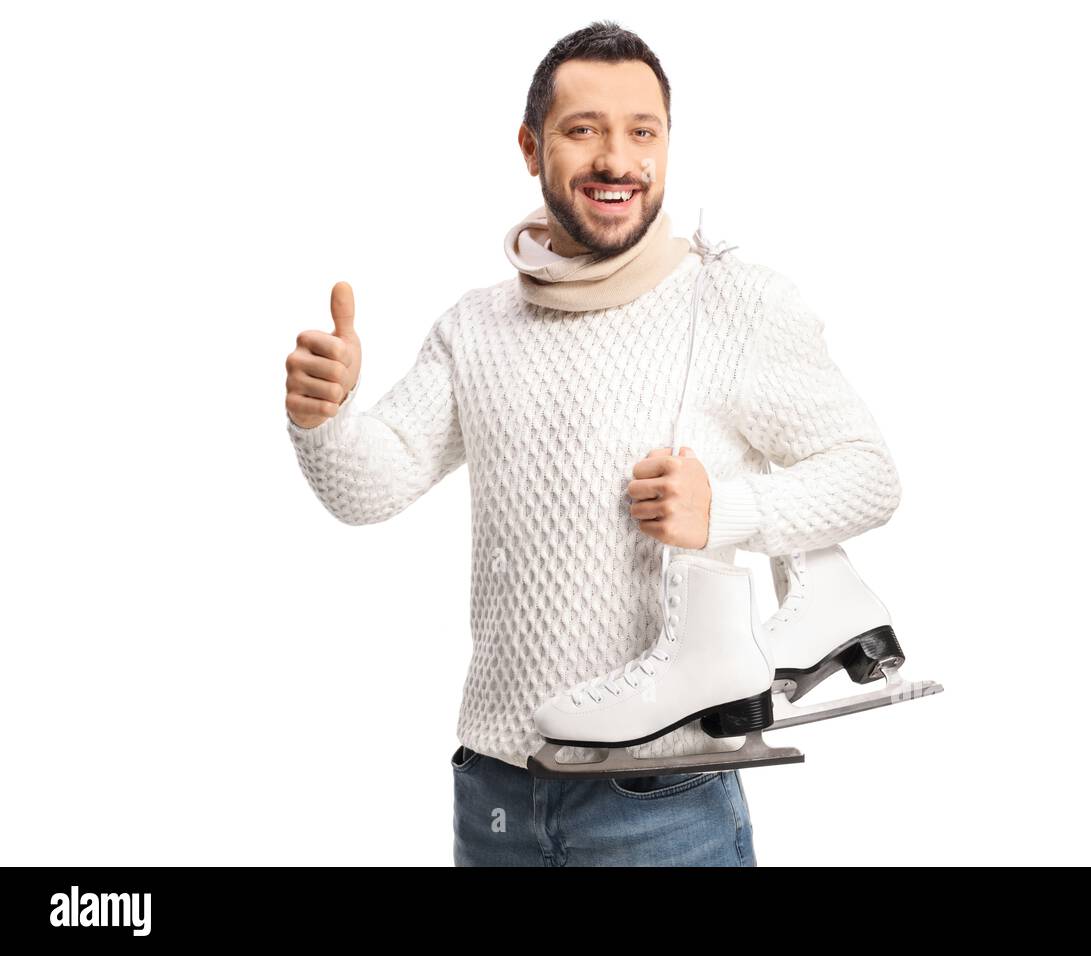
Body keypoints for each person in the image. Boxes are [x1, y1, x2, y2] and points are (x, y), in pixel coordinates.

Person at [284, 20, 900, 867]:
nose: (618, 159)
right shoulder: (476, 327)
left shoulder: (734, 305)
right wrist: (325, 418)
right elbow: (369, 489)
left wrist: (727, 510)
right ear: (532, 146)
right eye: (585, 130)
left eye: (642, 132)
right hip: (496, 789)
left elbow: (869, 475)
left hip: (665, 800)